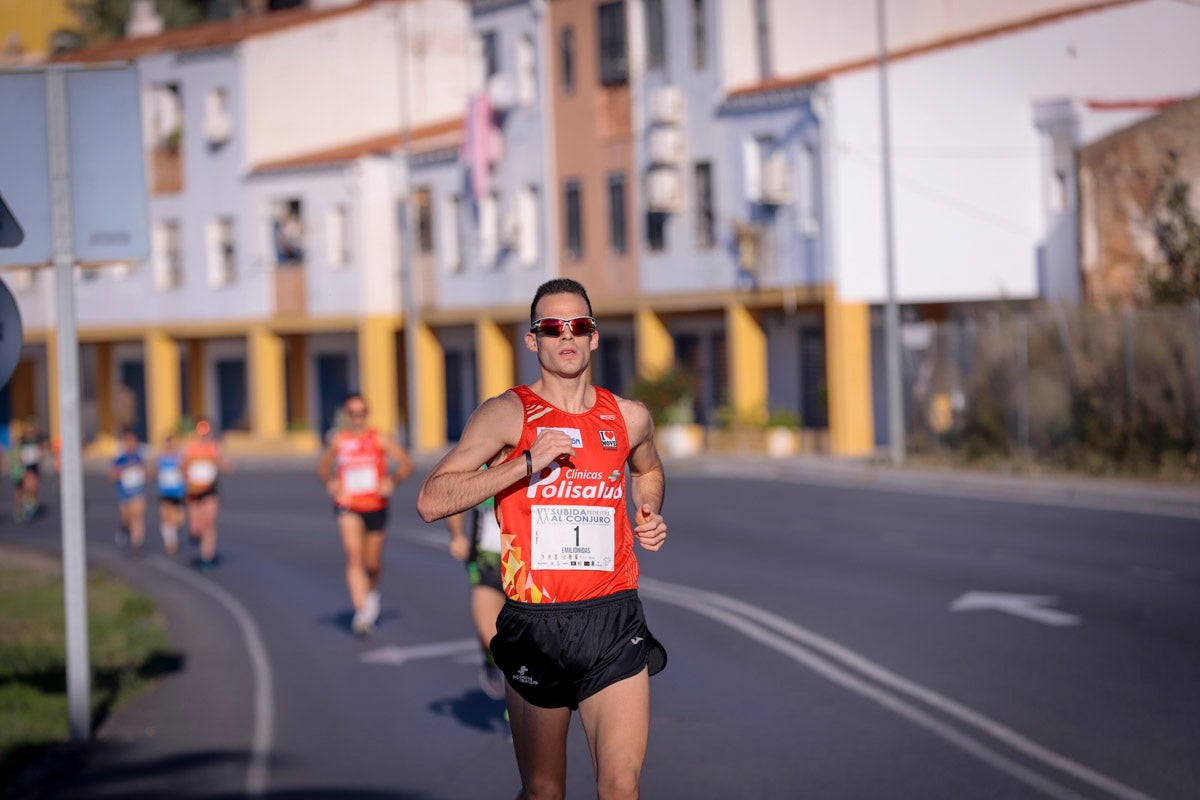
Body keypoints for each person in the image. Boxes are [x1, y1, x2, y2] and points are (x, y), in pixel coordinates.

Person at [417, 278, 668, 800]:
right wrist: (526, 463)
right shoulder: (508, 413)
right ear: (533, 340)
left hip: (614, 617)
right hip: (537, 622)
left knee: (622, 785)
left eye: (578, 326)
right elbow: (432, 499)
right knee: (543, 791)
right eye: (552, 328)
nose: (567, 336)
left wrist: (649, 510)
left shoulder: (628, 417)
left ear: (595, 336)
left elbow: (646, 470)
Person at [317, 394, 414, 636]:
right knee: (354, 557)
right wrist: (330, 482)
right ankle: (361, 610)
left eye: (361, 413)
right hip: (347, 503)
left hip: (375, 504)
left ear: (367, 414)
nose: (357, 418)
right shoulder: (339, 440)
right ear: (346, 416)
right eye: (353, 414)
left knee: (372, 564)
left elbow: (406, 463)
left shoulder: (379, 437)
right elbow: (322, 466)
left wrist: (392, 480)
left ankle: (371, 593)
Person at [445, 474, 507, 701]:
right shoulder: (481, 464)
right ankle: (490, 659)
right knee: (490, 636)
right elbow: (456, 498)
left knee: (525, 646)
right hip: (486, 565)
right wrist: (458, 536)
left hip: (527, 569)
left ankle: (517, 712)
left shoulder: (535, 461)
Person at [183, 418, 230, 570]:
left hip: (210, 490)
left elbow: (224, 465)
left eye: (206, 431)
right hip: (194, 491)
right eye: (200, 431)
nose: (203, 435)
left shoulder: (214, 448)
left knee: (209, 523)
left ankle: (207, 556)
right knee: (197, 526)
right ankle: (196, 534)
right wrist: (187, 480)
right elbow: (182, 466)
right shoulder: (190, 448)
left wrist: (221, 464)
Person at [110, 428, 148, 554]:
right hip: (124, 492)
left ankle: (137, 545)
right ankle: (124, 529)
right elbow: (112, 475)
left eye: (133, 441)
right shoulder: (120, 458)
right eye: (129, 441)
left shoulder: (140, 456)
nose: (131, 443)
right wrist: (122, 470)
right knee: (126, 518)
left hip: (137, 492)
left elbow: (149, 472)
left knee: (137, 517)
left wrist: (144, 472)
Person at [156, 432, 187, 555]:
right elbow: (154, 471)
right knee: (166, 517)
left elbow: (185, 471)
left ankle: (172, 534)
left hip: (178, 492)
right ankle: (170, 542)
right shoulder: (160, 458)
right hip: (165, 492)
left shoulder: (179, 457)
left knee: (179, 520)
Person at [12, 419, 46, 522]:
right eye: (29, 430)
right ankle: (21, 508)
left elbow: (42, 451)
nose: (31, 432)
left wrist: (40, 454)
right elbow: (17, 455)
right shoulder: (22, 441)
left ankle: (31, 506)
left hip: (34, 467)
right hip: (23, 468)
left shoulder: (38, 440)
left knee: (33, 487)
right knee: (22, 489)